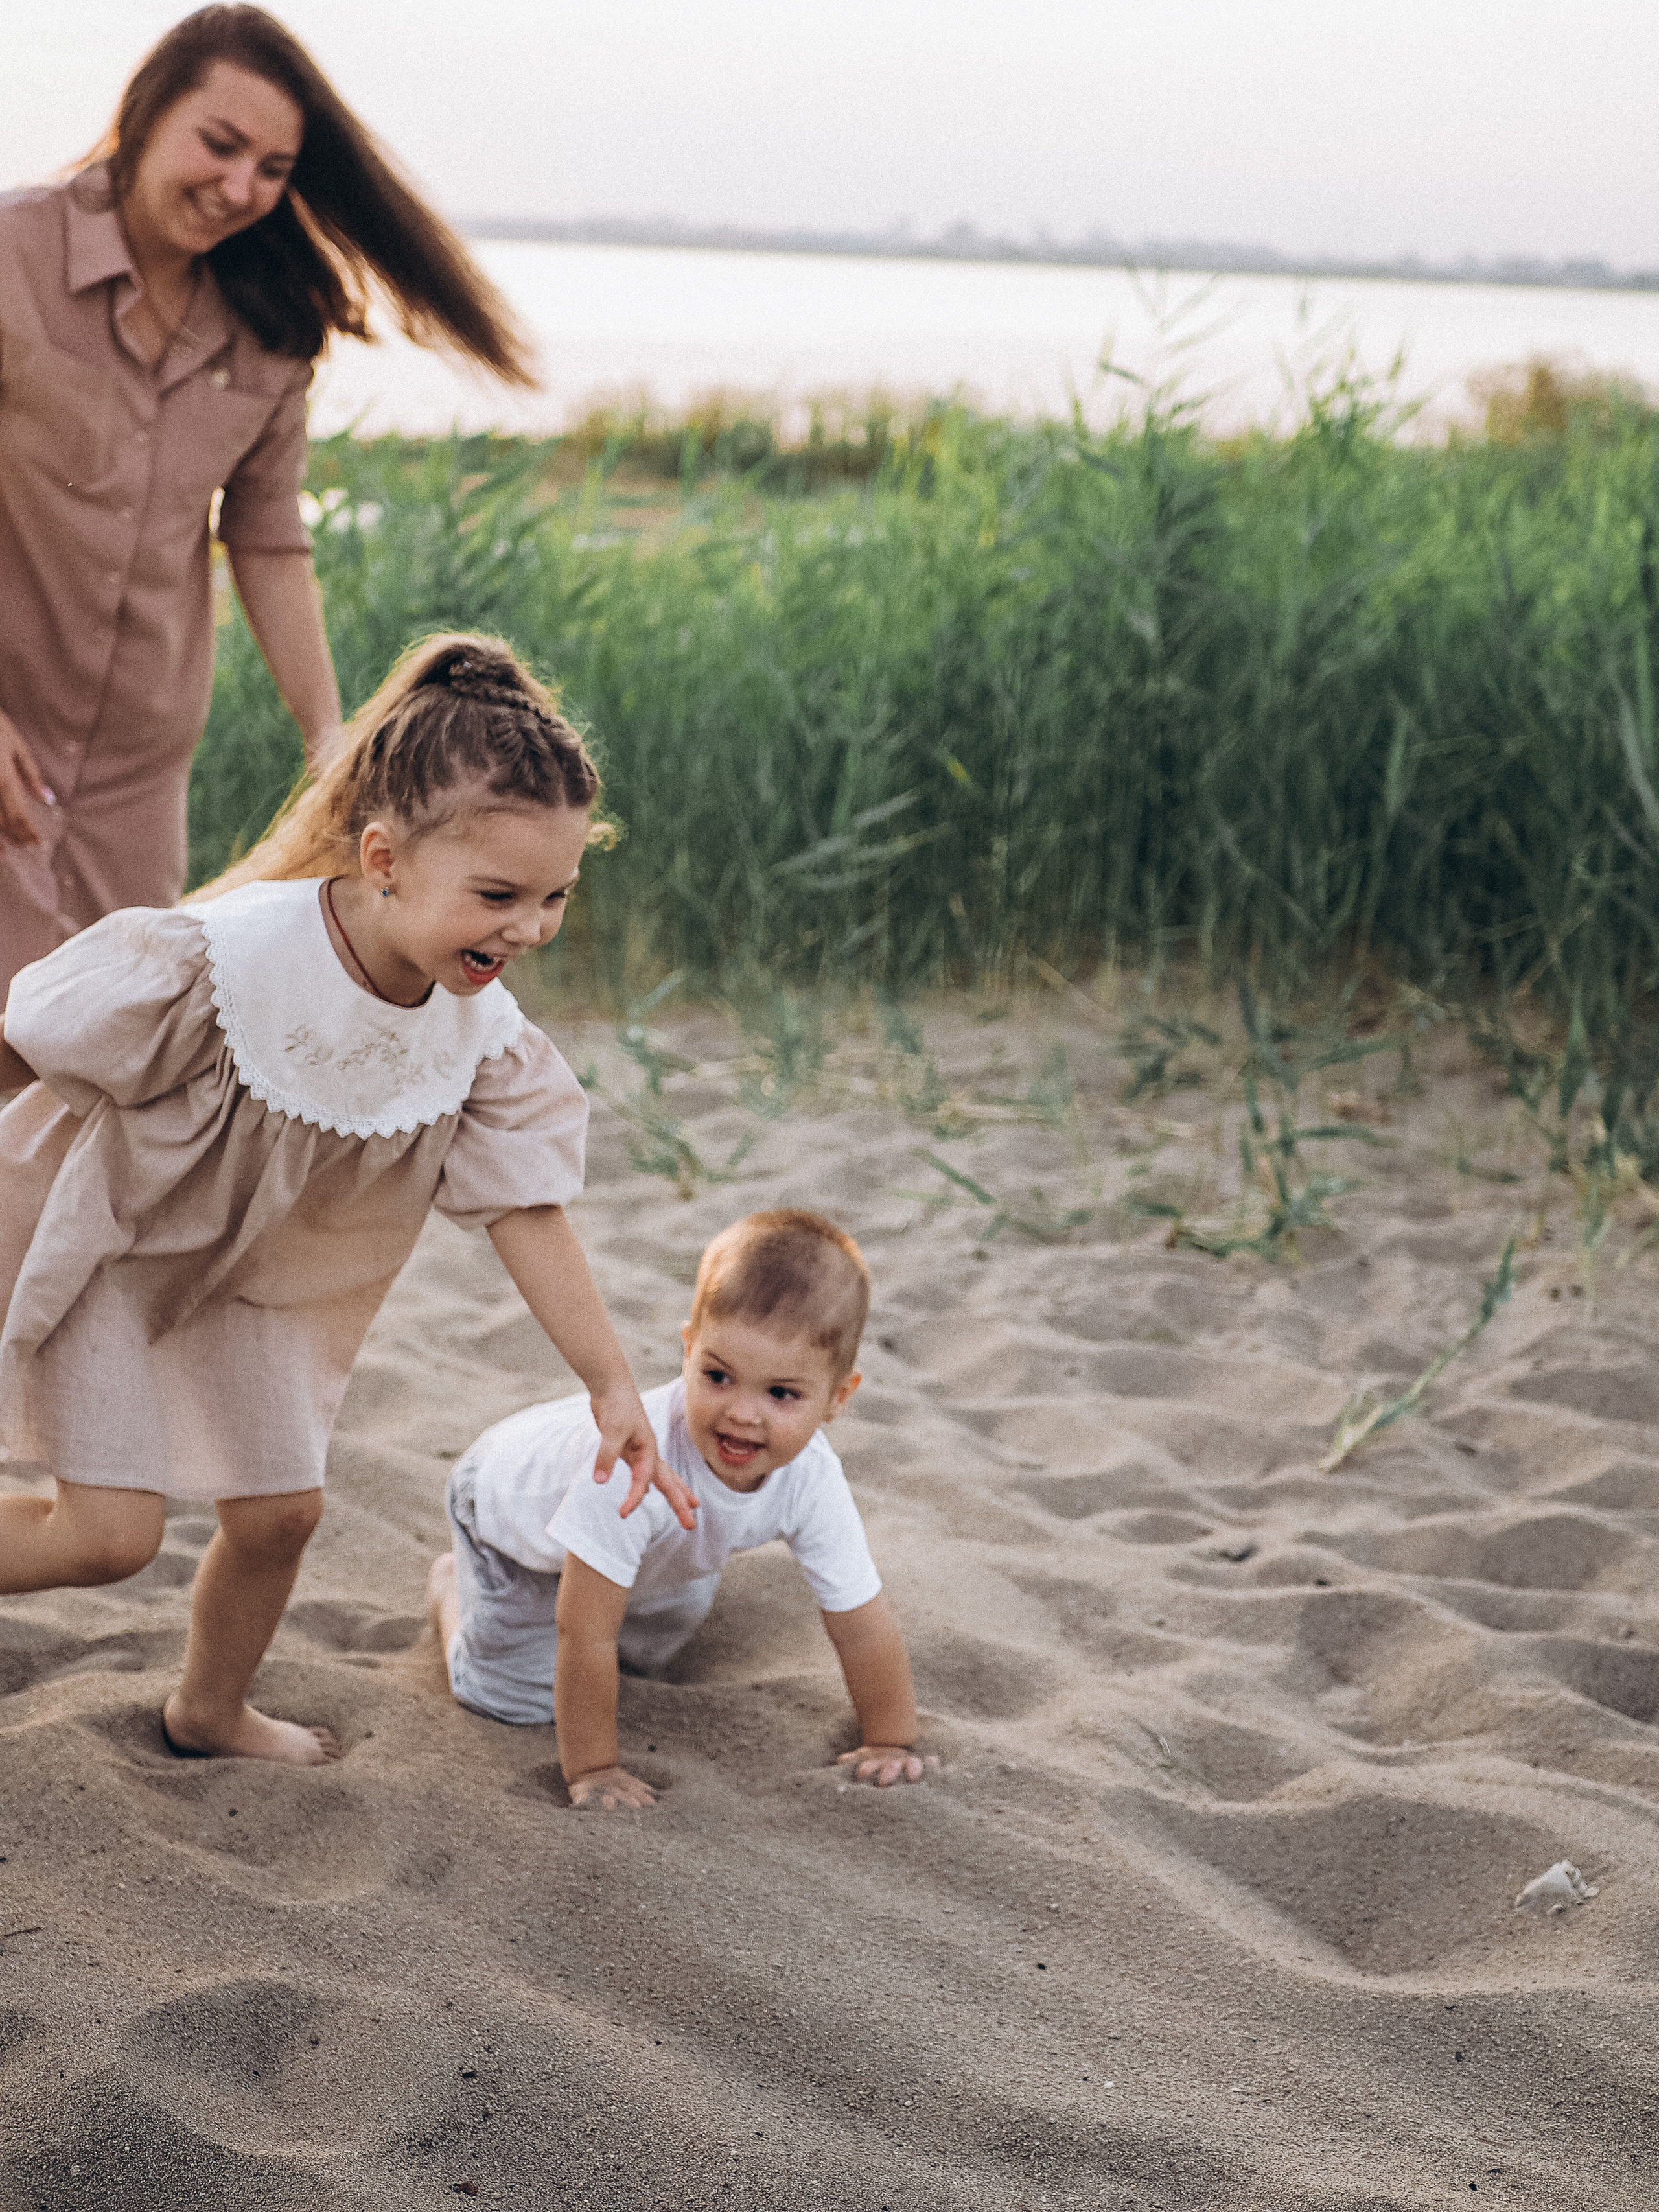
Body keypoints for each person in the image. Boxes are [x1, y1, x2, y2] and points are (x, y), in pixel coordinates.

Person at [0, 632, 691, 1767]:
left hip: (268, 1283)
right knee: (108, 1537)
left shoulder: (484, 1040)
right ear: (383, 859)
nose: (528, 928)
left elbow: (526, 1210)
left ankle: (209, 1710)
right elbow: (30, 1043)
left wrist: (610, 1380)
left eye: (556, 896)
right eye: (499, 894)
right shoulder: (224, 955)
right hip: (121, 1255)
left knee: (281, 1517)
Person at [0, 5, 536, 997]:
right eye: (219, 144)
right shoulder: (12, 255)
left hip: (137, 767)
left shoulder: (271, 323)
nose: (239, 187)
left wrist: (331, 744)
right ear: (147, 111)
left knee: (103, 1046)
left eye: (273, 169)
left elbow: (268, 537)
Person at [428, 1209, 933, 1810]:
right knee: (515, 1699)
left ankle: (625, 1584)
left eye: (781, 1393)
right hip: (509, 1515)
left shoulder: (813, 1475)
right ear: (689, 1349)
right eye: (719, 1376)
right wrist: (595, 1768)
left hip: (649, 1547)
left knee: (659, 1644)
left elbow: (862, 1622)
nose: (744, 1412)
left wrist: (890, 1739)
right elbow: (583, 1630)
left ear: (837, 1397)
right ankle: (451, 1592)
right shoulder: (629, 1469)